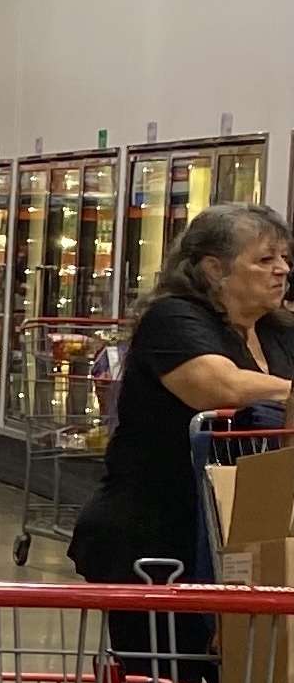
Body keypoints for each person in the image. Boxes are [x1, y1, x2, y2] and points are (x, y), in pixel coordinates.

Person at [72, 200, 294, 607]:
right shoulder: (172, 319)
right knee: (167, 664)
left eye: (284, 258)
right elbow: (218, 387)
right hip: (158, 538)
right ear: (214, 269)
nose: (282, 269)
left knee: (245, 669)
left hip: (240, 537)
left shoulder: (279, 332)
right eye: (264, 259)